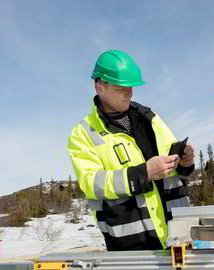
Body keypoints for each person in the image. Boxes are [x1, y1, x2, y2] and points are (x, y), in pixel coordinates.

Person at [67, 49, 195, 251]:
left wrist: (186, 163)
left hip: (179, 237)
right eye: (121, 88)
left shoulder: (149, 118)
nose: (130, 93)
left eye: (131, 87)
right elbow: (91, 183)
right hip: (133, 246)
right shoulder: (83, 133)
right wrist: (143, 173)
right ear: (100, 87)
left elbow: (174, 166)